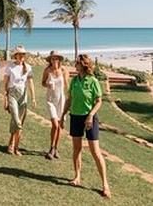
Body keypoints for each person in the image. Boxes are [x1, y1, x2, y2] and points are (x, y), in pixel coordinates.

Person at [63, 53, 110, 198]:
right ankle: (77, 176)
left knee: (95, 151)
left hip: (89, 118)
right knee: (76, 149)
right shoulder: (74, 80)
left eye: (76, 62)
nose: (74, 64)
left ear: (83, 65)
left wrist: (90, 115)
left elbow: (98, 101)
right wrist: (63, 114)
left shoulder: (93, 81)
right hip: (75, 117)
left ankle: (105, 184)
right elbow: (69, 99)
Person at [1, 45, 36, 156]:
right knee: (16, 120)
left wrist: (33, 98)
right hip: (12, 93)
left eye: (23, 54)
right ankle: (12, 143)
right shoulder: (10, 67)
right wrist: (5, 99)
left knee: (19, 121)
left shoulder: (28, 67)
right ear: (16, 55)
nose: (21, 56)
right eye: (19, 54)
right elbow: (5, 83)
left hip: (23, 95)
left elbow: (30, 83)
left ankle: (14, 146)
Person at [42, 50, 69, 160]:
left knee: (60, 126)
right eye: (53, 58)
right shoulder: (47, 70)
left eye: (56, 58)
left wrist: (70, 99)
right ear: (50, 60)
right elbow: (42, 82)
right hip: (50, 100)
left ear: (59, 60)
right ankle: (52, 148)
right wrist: (47, 85)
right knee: (55, 124)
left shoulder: (64, 71)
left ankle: (55, 148)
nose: (54, 60)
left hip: (61, 100)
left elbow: (67, 85)